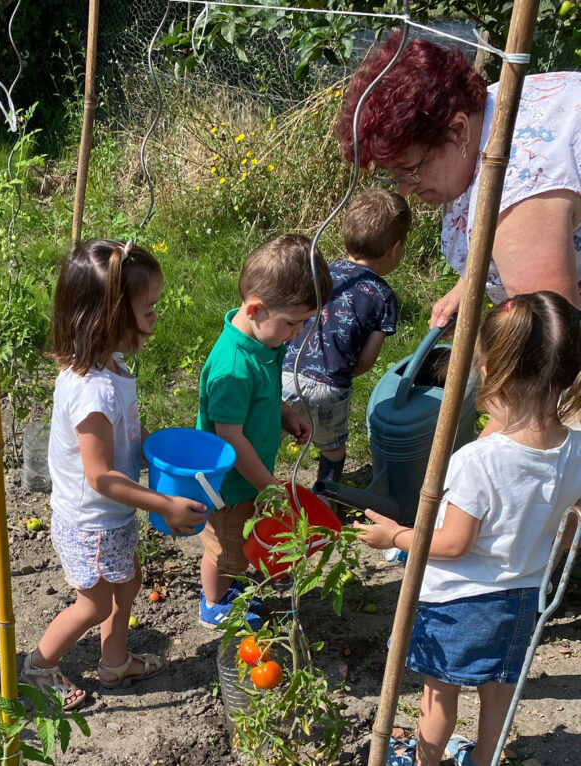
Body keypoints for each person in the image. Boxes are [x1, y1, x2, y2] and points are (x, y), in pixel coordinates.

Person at [354, 291, 581, 766]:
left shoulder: (478, 462)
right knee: (499, 692)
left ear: (492, 374)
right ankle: (482, 759)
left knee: (439, 695)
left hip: (458, 601)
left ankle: (425, 761)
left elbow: (454, 544)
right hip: (522, 598)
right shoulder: (574, 449)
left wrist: (394, 536)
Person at [21, 239, 207, 710]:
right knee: (95, 603)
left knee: (129, 580)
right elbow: (101, 476)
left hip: (111, 517)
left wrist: (155, 451)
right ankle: (37, 668)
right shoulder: (92, 393)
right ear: (110, 318)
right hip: (91, 522)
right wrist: (163, 502)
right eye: (148, 311)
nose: (155, 319)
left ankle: (114, 663)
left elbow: (127, 431)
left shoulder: (112, 368)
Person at [336, 32, 581, 329]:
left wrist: (491, 362)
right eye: (394, 175)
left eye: (410, 168)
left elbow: (557, 348)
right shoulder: (498, 106)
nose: (404, 189)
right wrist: (472, 283)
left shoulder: (515, 198)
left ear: (457, 130)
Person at [196, 234, 332, 628]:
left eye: (304, 322)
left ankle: (230, 584)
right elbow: (229, 437)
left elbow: (263, 399)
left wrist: (285, 416)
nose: (298, 332)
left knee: (241, 540)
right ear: (255, 309)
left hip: (250, 477)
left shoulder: (264, 346)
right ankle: (213, 602)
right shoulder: (232, 369)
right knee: (223, 547)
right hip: (227, 485)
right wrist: (269, 486)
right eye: (293, 323)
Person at [282, 189, 410, 488]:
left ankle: (249, 487)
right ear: (395, 249)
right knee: (333, 448)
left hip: (284, 373)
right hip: (330, 386)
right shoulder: (384, 296)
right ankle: (324, 498)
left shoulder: (319, 272)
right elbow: (366, 360)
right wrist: (338, 370)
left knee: (265, 434)